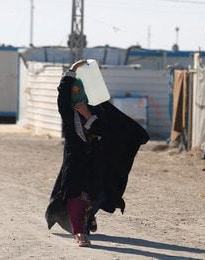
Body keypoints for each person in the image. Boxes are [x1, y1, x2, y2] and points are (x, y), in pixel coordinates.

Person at [45, 60, 149, 247]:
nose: (77, 97)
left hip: (97, 161)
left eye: (80, 93)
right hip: (75, 160)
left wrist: (88, 116)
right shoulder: (68, 113)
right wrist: (73, 69)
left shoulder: (99, 111)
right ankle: (80, 233)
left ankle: (88, 218)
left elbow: (109, 132)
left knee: (97, 194)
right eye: (74, 93)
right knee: (76, 193)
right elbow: (62, 92)